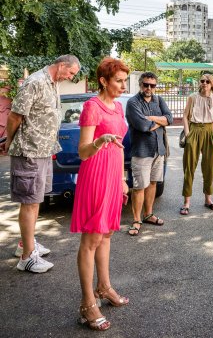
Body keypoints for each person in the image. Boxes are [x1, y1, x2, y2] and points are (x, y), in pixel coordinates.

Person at [0, 55, 80, 273]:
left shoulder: (52, 83)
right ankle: (27, 257)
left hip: (44, 151)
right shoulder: (35, 81)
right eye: (71, 73)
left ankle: (25, 243)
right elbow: (15, 116)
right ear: (62, 65)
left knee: (36, 200)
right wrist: (9, 141)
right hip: (29, 151)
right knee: (30, 202)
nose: (71, 77)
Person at [70, 57, 130, 331]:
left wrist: (122, 179)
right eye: (118, 80)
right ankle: (86, 303)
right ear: (104, 81)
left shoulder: (118, 108)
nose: (123, 85)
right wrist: (98, 141)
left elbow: (119, 146)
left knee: (106, 234)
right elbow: (83, 151)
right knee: (92, 239)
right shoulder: (91, 108)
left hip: (113, 176)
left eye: (124, 80)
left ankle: (104, 287)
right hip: (95, 176)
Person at [126, 72, 172, 236]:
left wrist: (152, 117)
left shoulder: (158, 100)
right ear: (140, 85)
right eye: (146, 85)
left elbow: (170, 118)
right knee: (139, 187)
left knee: (153, 183)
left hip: (158, 150)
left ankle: (148, 215)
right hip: (141, 151)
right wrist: (159, 121)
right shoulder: (133, 103)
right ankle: (136, 220)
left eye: (152, 85)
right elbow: (143, 126)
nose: (149, 88)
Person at [180, 74, 213, 215]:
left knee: (210, 166)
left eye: (207, 81)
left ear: (212, 84)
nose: (204, 83)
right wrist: (188, 133)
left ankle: (208, 199)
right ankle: (186, 202)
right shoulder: (193, 97)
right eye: (202, 81)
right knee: (189, 166)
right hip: (194, 129)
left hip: (210, 131)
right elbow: (185, 115)